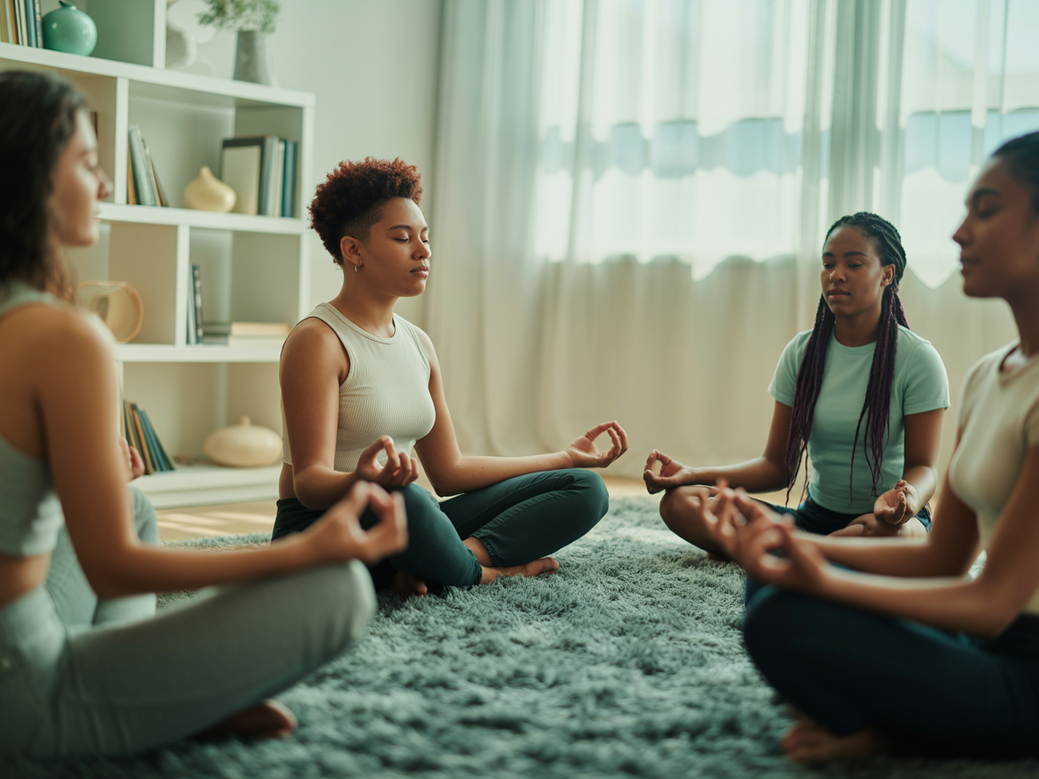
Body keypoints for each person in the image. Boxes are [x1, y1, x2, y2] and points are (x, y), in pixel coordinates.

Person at [0, 70, 408, 758]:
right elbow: (113, 570)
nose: (106, 185)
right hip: (23, 697)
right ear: (31, 176)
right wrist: (302, 552)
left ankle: (143, 694)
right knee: (338, 589)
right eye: (89, 164)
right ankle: (146, 709)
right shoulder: (67, 338)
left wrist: (84, 477)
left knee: (130, 506)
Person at [698, 130, 1039, 761]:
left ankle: (900, 731)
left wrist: (821, 574)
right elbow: (944, 559)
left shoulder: (924, 361)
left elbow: (992, 603)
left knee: (781, 617)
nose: (959, 233)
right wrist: (792, 547)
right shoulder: (987, 375)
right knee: (770, 590)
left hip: (1026, 672)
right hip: (976, 642)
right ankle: (910, 719)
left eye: (986, 210)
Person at [273, 157, 627, 595]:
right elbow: (308, 483)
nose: (423, 251)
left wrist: (564, 458)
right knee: (412, 501)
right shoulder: (318, 340)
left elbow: (449, 471)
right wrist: (364, 479)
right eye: (402, 238)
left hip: (400, 519)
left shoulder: (418, 343)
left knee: (585, 488)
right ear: (354, 250)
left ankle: (447, 561)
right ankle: (486, 573)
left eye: (425, 237)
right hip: (323, 526)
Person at [644, 212, 949, 556]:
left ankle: (784, 551)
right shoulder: (802, 353)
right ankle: (821, 553)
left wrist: (907, 498)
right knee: (681, 502)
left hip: (882, 522)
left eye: (854, 264)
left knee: (896, 536)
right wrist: (691, 474)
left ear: (887, 274)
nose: (836, 274)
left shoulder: (918, 359)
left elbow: (924, 468)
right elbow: (777, 467)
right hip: (813, 519)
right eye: (828, 263)